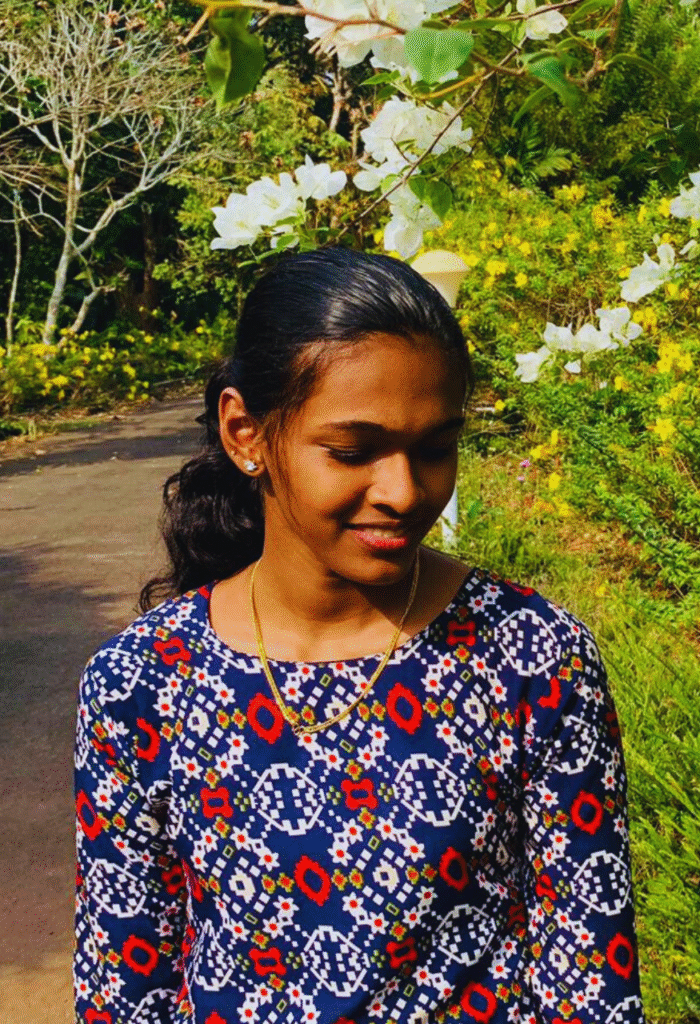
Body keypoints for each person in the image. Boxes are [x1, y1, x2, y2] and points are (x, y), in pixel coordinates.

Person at [73, 246, 645, 1024]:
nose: (405, 491)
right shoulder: (142, 682)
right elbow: (124, 983)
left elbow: (590, 978)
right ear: (245, 432)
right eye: (353, 452)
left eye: (436, 448)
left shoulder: (530, 657)